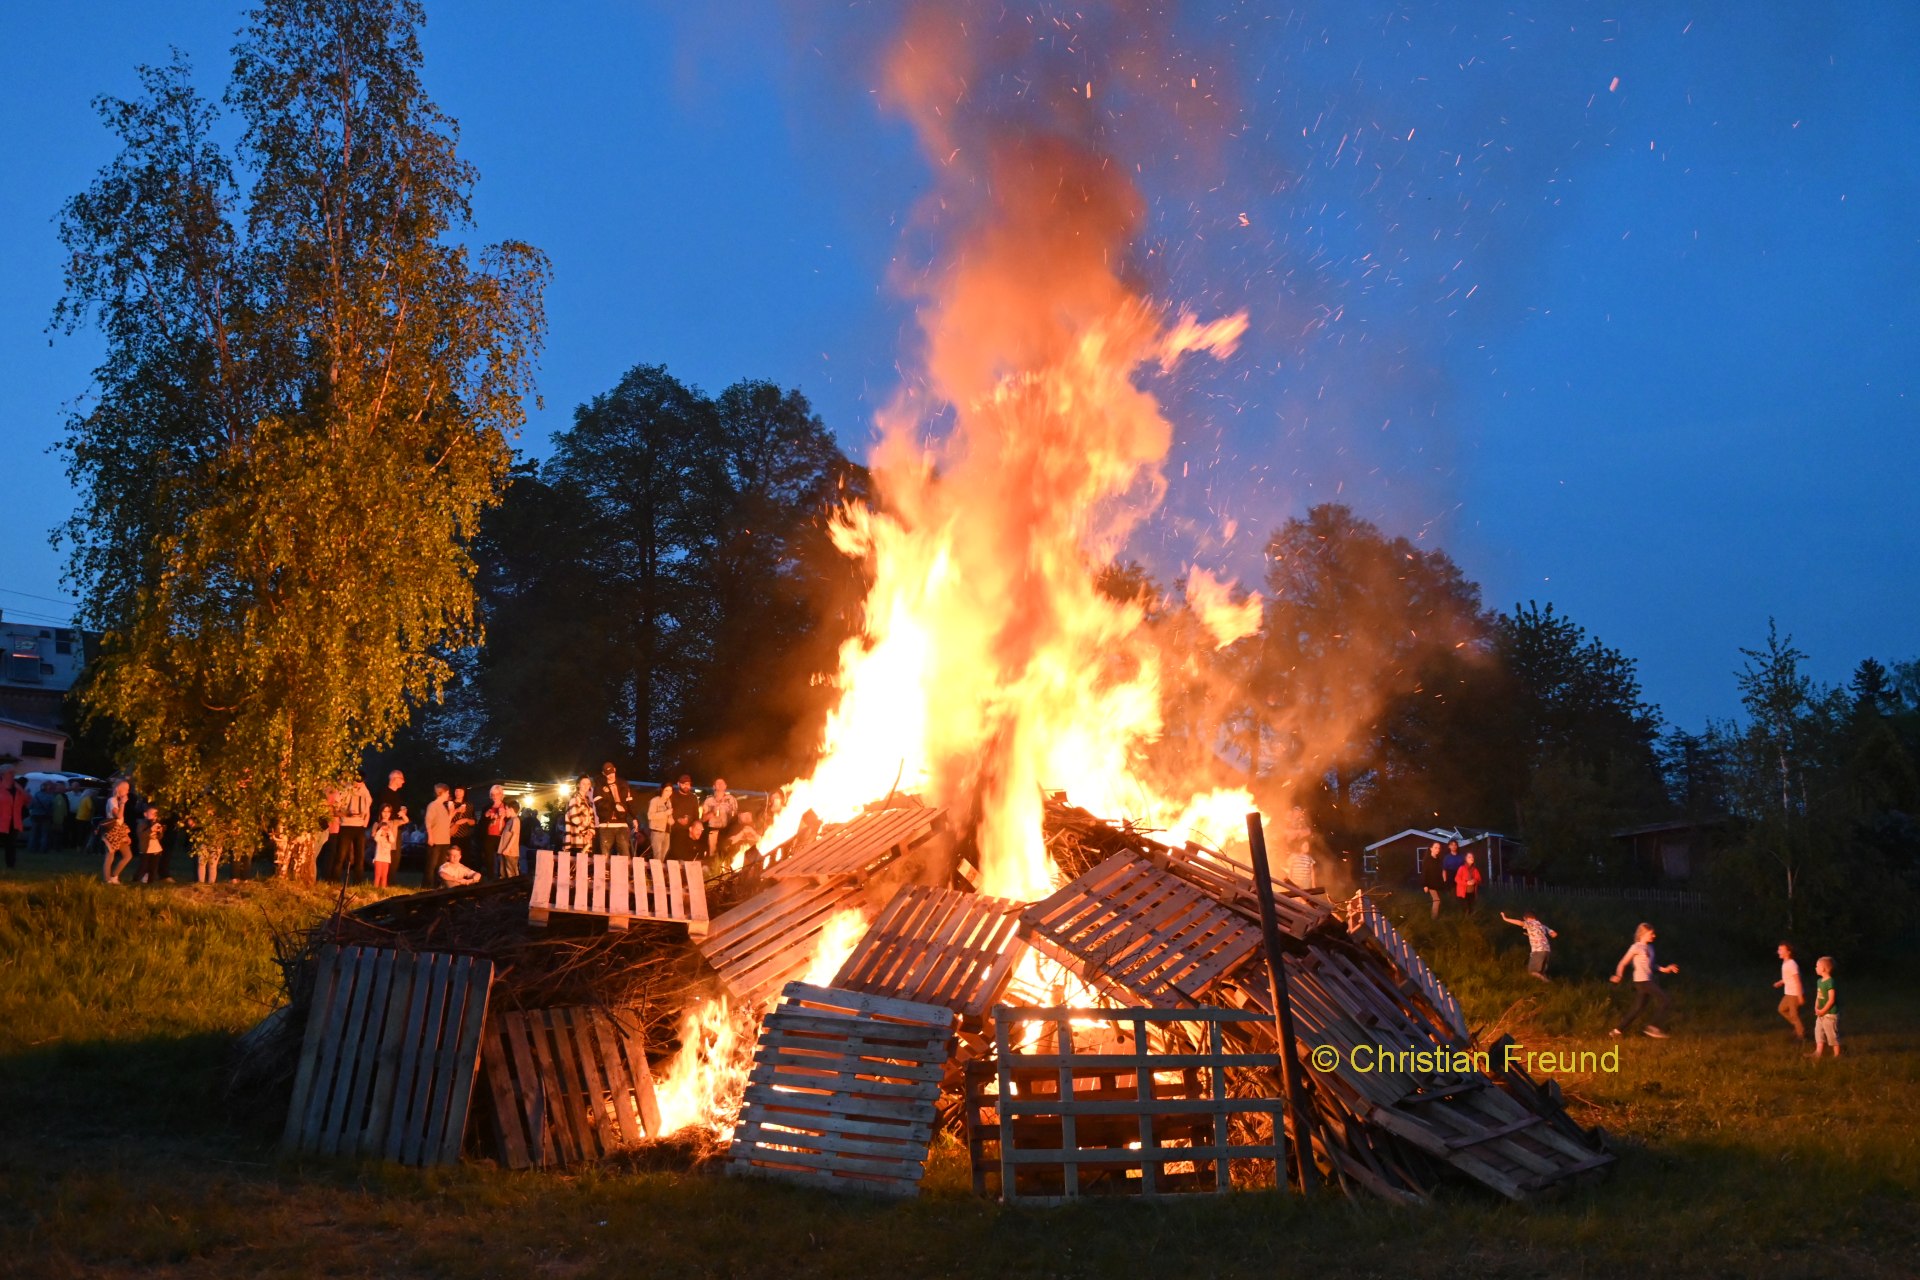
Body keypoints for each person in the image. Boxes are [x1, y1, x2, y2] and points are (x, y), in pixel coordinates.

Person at [1610, 922, 1680, 1038]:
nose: (1654, 936)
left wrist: (1665, 969)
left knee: (1638, 1008)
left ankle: (1616, 1031)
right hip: (1642, 981)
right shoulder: (1636, 947)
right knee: (1666, 1001)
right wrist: (1619, 975)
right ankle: (1653, 1027)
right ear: (1643, 934)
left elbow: (1651, 966)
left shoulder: (1651, 948)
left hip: (1647, 980)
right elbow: (1623, 962)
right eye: (1651, 933)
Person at [1500, 909, 1558, 980]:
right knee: (1541, 973)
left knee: (1532, 972)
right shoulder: (1543, 926)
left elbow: (1520, 923)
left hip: (1538, 950)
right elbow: (1554, 934)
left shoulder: (1530, 923)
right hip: (1547, 950)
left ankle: (1548, 983)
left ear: (1525, 918)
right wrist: (1530, 935)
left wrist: (1505, 918)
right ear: (1535, 917)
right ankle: (1546, 986)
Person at [594, 762, 636, 858]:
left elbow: (629, 802)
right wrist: (614, 806)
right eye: (608, 774)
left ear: (615, 770)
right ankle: (605, 872)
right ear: (604, 774)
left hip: (622, 824)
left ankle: (625, 872)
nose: (611, 776)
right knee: (604, 854)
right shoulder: (599, 786)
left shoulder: (623, 784)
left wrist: (634, 817)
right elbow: (599, 805)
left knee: (625, 852)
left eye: (612, 773)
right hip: (606, 825)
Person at [336, 776, 372, 885]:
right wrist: (345, 813)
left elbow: (368, 805)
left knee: (359, 857)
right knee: (340, 856)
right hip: (346, 825)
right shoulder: (346, 789)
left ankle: (358, 882)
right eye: (356, 782)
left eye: (360, 782)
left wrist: (364, 824)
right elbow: (338, 806)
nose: (358, 784)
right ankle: (335, 881)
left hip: (359, 827)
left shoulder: (364, 791)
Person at [100, 780, 133, 884]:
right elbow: (118, 816)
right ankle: (107, 879)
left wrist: (126, 834)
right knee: (110, 855)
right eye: (126, 789)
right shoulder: (112, 801)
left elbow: (121, 820)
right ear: (119, 788)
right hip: (112, 831)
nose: (127, 792)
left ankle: (114, 876)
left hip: (120, 830)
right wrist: (122, 803)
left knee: (128, 855)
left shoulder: (118, 801)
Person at [422, 783, 454, 888]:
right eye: (448, 792)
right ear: (443, 792)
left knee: (441, 866)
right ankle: (427, 886)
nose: (448, 794)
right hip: (436, 840)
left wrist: (452, 811)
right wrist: (430, 837)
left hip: (444, 840)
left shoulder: (443, 807)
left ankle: (437, 886)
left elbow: (446, 823)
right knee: (432, 864)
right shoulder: (433, 805)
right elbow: (428, 822)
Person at [1808, 956, 1840, 1059]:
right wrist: (1816, 1007)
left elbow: (1831, 999)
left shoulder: (1830, 982)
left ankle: (1837, 1055)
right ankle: (1818, 1052)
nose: (1815, 968)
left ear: (1824, 969)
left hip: (1830, 1014)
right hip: (1821, 1013)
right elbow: (1819, 995)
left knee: (1832, 1035)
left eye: (1817, 966)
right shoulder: (1819, 981)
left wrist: (1823, 1011)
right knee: (1818, 1032)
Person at [1774, 942, 1806, 1040]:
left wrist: (1800, 996)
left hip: (1794, 994)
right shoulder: (1785, 963)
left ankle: (1801, 1034)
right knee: (1781, 1009)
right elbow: (1788, 977)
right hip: (1788, 993)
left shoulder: (1792, 964)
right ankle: (1798, 1027)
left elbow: (1797, 981)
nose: (1778, 952)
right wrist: (1781, 982)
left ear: (1788, 952)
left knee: (1793, 1014)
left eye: (1781, 950)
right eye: (1778, 949)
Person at [702, 778, 739, 860]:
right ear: (714, 786)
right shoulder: (709, 800)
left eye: (722, 783)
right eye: (718, 783)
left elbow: (735, 816)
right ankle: (713, 870)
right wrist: (712, 813)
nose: (720, 785)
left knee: (724, 853)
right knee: (712, 854)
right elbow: (703, 819)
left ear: (725, 786)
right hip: (713, 830)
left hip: (726, 830)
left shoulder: (731, 799)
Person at [0, 767, 29, 870]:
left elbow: (28, 800)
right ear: (3, 774)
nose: (12, 775)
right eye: (10, 773)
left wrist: (21, 789)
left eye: (13, 773)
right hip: (1, 821)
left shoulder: (17, 790)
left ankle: (10, 866)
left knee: (11, 846)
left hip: (13, 822)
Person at [668, 774, 702, 860]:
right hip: (675, 830)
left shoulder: (693, 798)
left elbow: (696, 815)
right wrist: (677, 819)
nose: (686, 786)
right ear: (678, 784)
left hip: (689, 832)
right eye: (683, 784)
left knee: (689, 855)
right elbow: (668, 811)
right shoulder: (673, 796)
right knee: (676, 854)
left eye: (688, 784)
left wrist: (694, 825)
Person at [564, 775, 596, 856]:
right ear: (578, 785)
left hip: (586, 840)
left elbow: (592, 818)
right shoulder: (574, 799)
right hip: (576, 839)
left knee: (585, 865)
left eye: (588, 784)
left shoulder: (588, 801)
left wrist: (591, 833)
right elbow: (575, 819)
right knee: (575, 865)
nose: (586, 786)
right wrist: (586, 832)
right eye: (583, 784)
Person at [135, 805, 166, 885]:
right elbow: (141, 835)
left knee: (153, 867)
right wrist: (151, 829)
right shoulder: (142, 824)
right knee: (143, 866)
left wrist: (160, 832)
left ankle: (150, 882)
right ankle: (136, 880)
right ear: (145, 814)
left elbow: (160, 837)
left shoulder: (156, 823)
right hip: (145, 849)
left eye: (155, 814)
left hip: (155, 849)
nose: (154, 815)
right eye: (152, 813)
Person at [370, 805, 399, 888]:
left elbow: (392, 840)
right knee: (377, 874)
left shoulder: (389, 839)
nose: (385, 829)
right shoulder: (379, 838)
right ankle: (375, 888)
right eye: (384, 811)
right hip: (378, 857)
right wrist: (380, 831)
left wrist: (389, 832)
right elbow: (375, 838)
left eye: (388, 812)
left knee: (384, 875)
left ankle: (383, 889)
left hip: (386, 858)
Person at [496, 800, 523, 879]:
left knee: (511, 872)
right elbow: (501, 832)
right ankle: (506, 887)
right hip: (504, 851)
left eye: (506, 809)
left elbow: (515, 835)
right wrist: (501, 819)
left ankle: (515, 888)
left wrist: (507, 849)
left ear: (511, 809)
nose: (505, 811)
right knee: (503, 872)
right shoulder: (510, 820)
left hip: (510, 852)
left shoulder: (515, 820)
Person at [647, 786, 673, 860]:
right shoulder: (655, 801)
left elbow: (668, 815)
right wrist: (665, 813)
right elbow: (650, 816)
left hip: (667, 831)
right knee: (657, 855)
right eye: (666, 790)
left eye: (670, 791)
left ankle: (659, 871)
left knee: (663, 856)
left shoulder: (669, 802)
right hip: (657, 831)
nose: (669, 793)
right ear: (662, 790)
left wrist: (671, 819)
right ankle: (655, 871)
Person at [1420, 841, 1445, 918]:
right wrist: (1425, 885)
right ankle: (1433, 918)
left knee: (1438, 901)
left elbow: (1440, 871)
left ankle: (1437, 915)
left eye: (1438, 848)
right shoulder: (1427, 860)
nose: (1437, 849)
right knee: (1437, 900)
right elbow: (1424, 873)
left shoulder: (1438, 860)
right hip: (1430, 885)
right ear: (1431, 848)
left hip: (1438, 884)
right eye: (1435, 848)